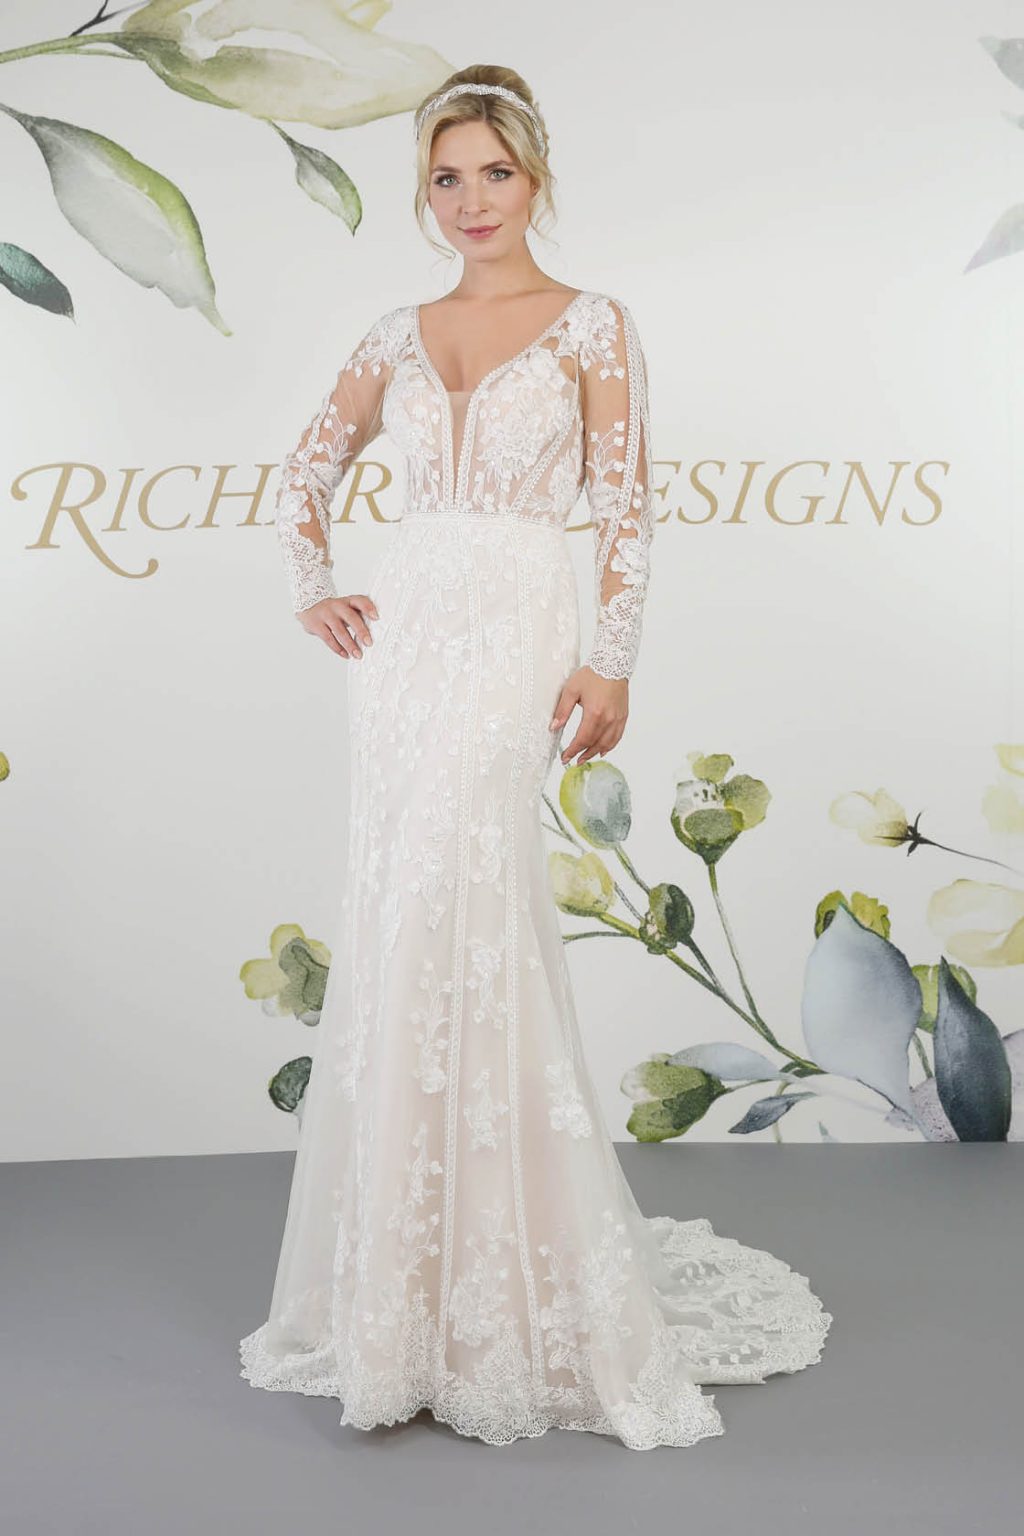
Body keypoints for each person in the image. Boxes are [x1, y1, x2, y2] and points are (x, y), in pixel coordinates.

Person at [239, 64, 832, 1451]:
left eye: (494, 173)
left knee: (477, 906)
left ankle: (509, 1273)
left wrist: (611, 657)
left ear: (536, 177)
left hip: (516, 624)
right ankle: (401, 1293)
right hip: (403, 645)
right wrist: (314, 586)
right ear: (425, 193)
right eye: (447, 178)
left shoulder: (594, 325)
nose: (472, 201)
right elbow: (302, 474)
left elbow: (624, 506)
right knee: (402, 914)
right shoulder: (396, 331)